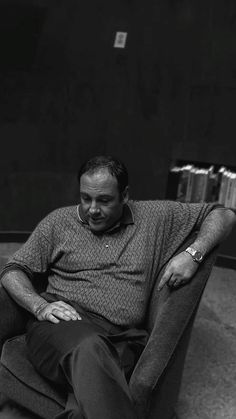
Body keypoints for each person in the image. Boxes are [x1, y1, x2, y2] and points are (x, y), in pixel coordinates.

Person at [1, 155, 235, 419]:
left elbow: (223, 214)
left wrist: (194, 254)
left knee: (83, 405)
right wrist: (40, 306)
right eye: (85, 198)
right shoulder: (57, 223)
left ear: (124, 196)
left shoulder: (155, 217)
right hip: (61, 327)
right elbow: (12, 270)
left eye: (104, 200)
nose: (92, 209)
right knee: (88, 347)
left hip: (123, 339)